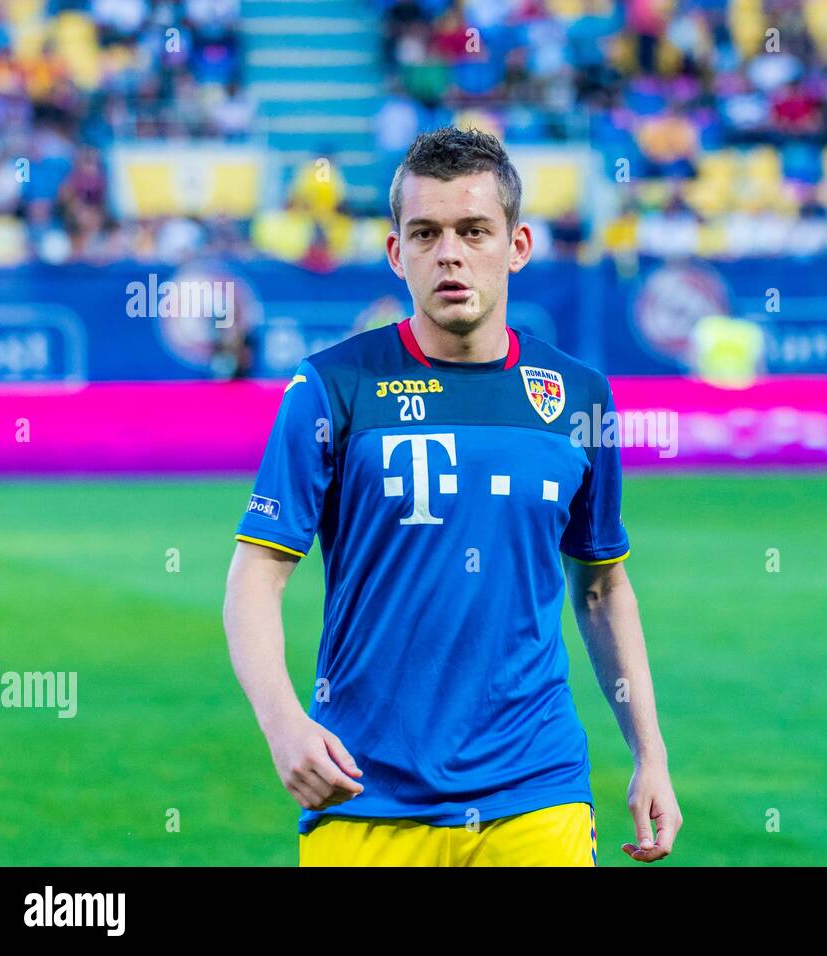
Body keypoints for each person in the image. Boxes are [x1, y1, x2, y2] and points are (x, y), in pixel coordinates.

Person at [222, 126, 680, 866]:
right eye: (427, 234)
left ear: (518, 245)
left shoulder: (579, 398)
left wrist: (649, 753)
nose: (451, 254)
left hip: (536, 792)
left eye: (474, 231)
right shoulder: (331, 386)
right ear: (397, 252)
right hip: (362, 791)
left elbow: (601, 588)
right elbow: (254, 579)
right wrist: (282, 724)